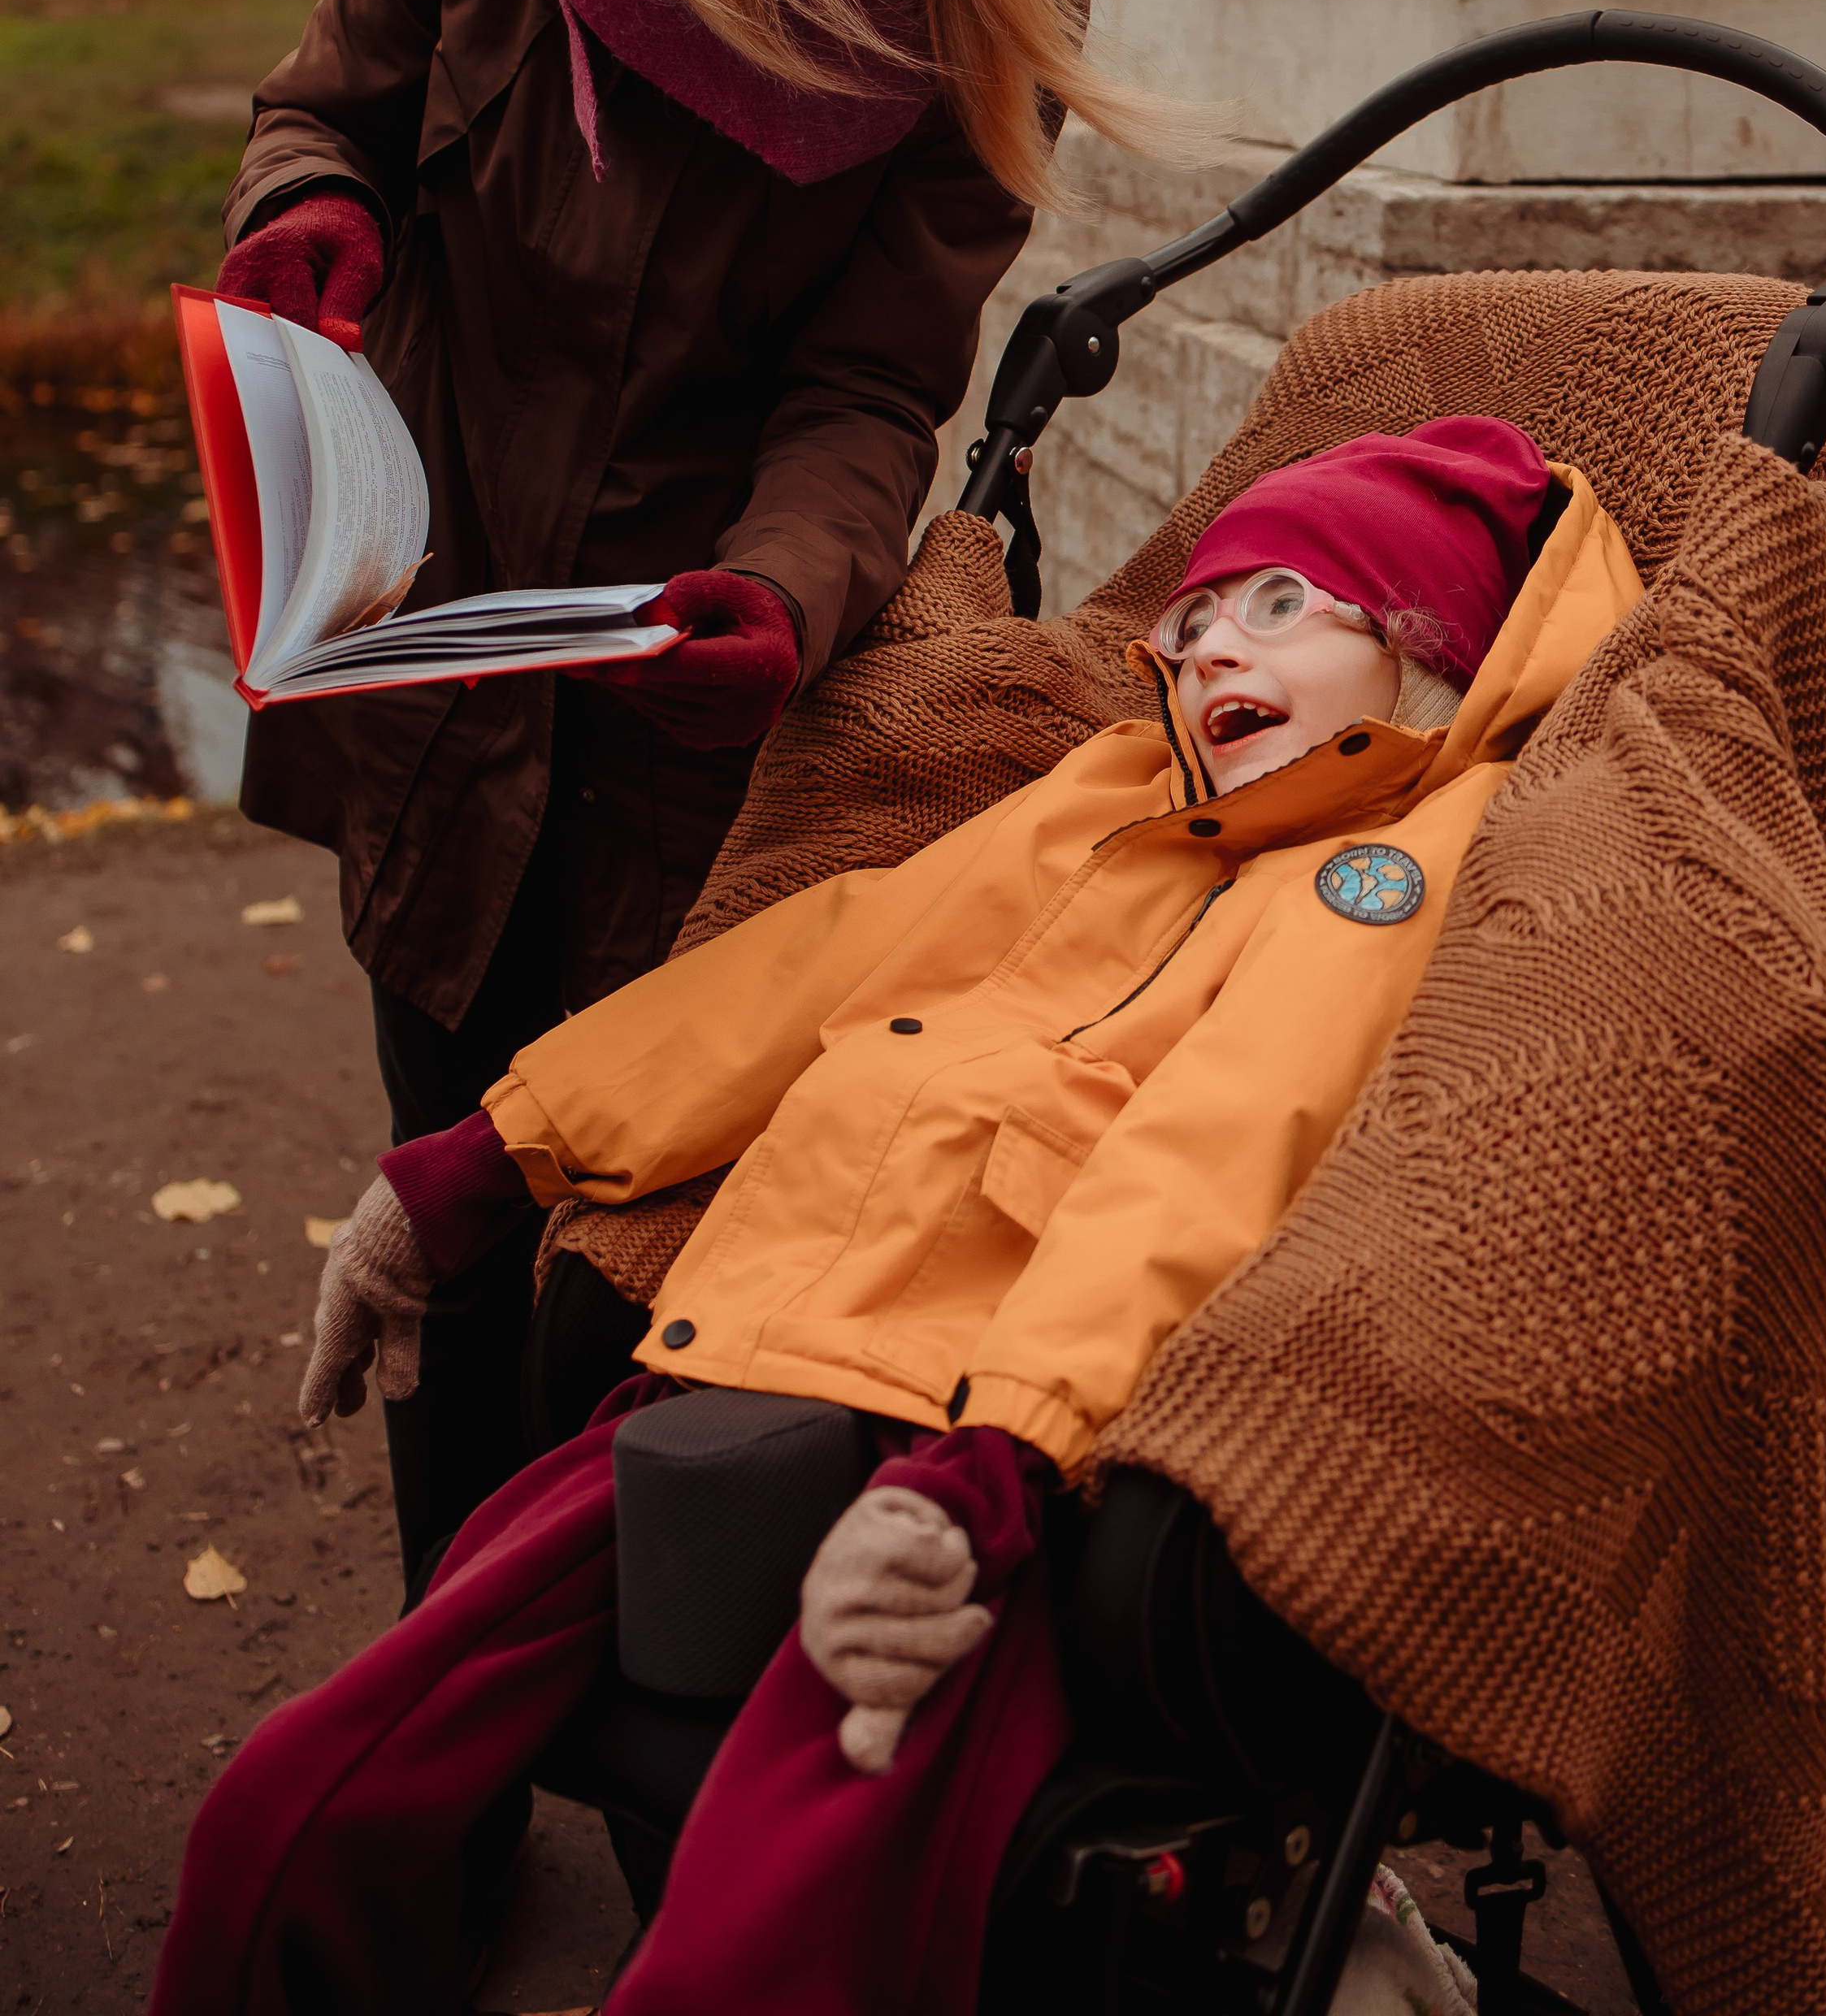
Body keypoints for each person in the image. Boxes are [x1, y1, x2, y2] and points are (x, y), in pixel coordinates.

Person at [150, 420, 1646, 2016]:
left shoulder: (1395, 870)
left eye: (1281, 605)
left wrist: (985, 1474)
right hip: (753, 1341)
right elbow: (832, 958)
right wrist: (477, 1164)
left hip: (1001, 1449)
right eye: (1198, 616)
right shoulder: (1112, 793)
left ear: (1429, 649)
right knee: (294, 1806)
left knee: (753, 1942)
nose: (1213, 643)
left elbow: (1212, 1158)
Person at [213, 0, 1156, 1577]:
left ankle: (609, 1698)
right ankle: (443, 1698)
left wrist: (789, 587)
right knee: (440, 1231)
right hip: (426, 675)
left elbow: (869, 390)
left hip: (685, 759)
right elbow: (327, 106)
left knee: (632, 1282)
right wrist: (306, 220)